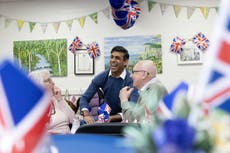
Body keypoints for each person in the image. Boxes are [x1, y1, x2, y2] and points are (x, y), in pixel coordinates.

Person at [80, 46, 139, 124]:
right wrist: (86, 114)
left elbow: (133, 108)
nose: (113, 60)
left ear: (125, 62)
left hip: (125, 117)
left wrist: (112, 118)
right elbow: (84, 98)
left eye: (117, 58)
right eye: (111, 57)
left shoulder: (131, 80)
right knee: (82, 124)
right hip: (105, 114)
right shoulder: (102, 76)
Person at [28, 69, 77, 134]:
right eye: (48, 80)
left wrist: (60, 99)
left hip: (68, 138)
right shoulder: (33, 106)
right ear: (38, 84)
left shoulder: (56, 99)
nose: (53, 83)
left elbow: (73, 119)